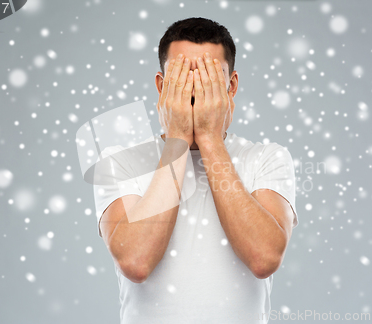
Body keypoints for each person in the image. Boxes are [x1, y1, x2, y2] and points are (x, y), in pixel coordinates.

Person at [93, 17, 298, 324]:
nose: (195, 91)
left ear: (231, 87)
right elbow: (135, 261)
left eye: (207, 80)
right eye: (184, 79)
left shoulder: (267, 158)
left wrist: (210, 139)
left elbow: (264, 258)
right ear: (162, 87)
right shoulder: (119, 162)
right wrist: (177, 140)